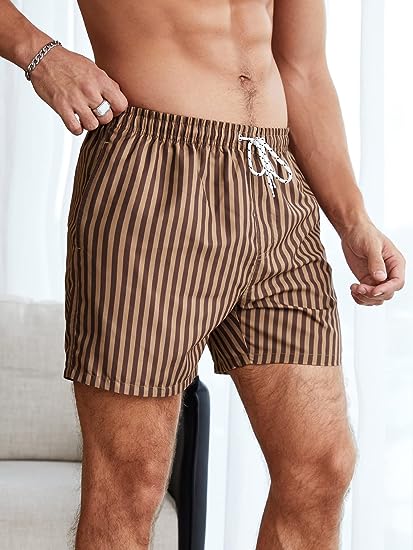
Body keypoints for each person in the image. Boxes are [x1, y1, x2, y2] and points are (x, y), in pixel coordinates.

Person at [1, 0, 406, 548]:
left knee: (321, 464)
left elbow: (303, 69)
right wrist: (39, 55)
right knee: (130, 483)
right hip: (152, 176)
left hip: (276, 188)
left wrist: (352, 219)